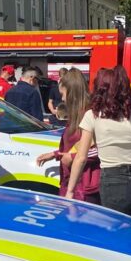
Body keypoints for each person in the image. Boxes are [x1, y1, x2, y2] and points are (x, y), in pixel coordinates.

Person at [65, 66, 131, 222]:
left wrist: (70, 191)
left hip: (113, 181)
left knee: (116, 229)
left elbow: (81, 158)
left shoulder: (93, 115)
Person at [36, 67, 100, 204]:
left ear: (71, 93)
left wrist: (71, 157)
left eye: (63, 94)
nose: (62, 98)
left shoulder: (90, 114)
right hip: (73, 182)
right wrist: (55, 154)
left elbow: (99, 148)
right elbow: (76, 146)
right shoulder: (77, 114)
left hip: (84, 186)